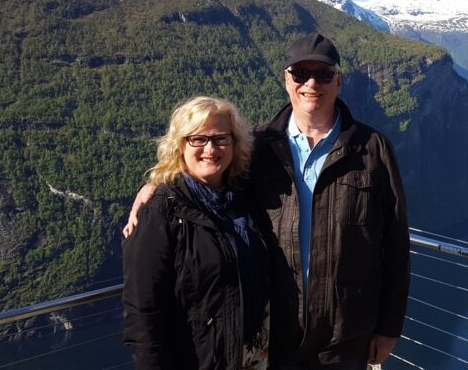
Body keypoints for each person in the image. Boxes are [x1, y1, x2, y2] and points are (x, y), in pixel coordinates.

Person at [125, 33, 410, 370]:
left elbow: (395, 245)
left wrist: (388, 328)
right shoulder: (260, 148)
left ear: (339, 82)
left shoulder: (372, 149)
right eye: (301, 74)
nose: (311, 84)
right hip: (275, 335)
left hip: (345, 336)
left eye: (322, 74)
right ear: (287, 80)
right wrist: (156, 185)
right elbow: (206, 177)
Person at [122, 96, 270, 370]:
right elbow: (142, 309)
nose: (210, 149)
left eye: (221, 139)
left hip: (253, 358)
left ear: (235, 144)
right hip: (198, 361)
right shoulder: (161, 211)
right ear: (180, 145)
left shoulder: (243, 197)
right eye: (198, 139)